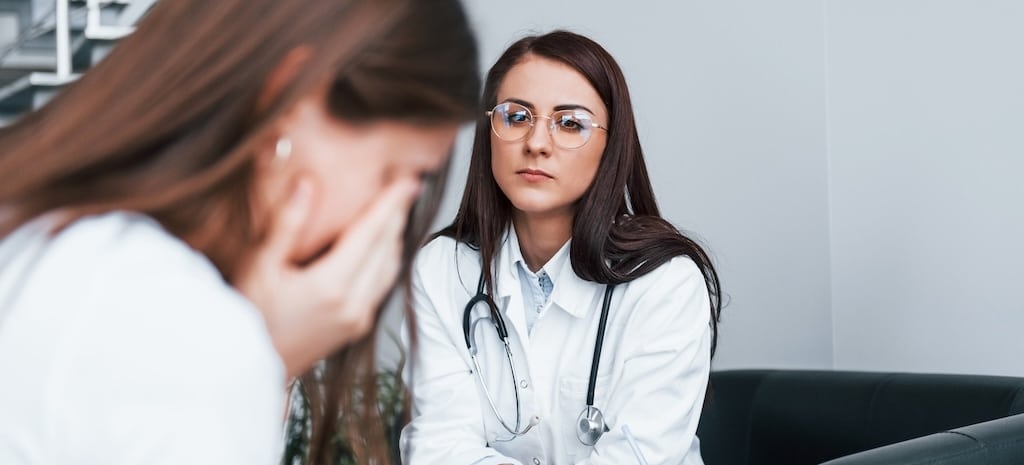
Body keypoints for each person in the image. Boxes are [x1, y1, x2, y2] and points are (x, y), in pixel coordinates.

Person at [0, 0, 479, 464]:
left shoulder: (54, 239)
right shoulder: (180, 330)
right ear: (286, 98)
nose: (389, 229)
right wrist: (262, 358)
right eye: (395, 176)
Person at [401, 30, 723, 465]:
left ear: (611, 146)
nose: (536, 143)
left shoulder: (666, 283)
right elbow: (437, 448)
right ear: (489, 131)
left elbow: (639, 457)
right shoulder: (440, 269)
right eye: (517, 117)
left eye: (570, 123)